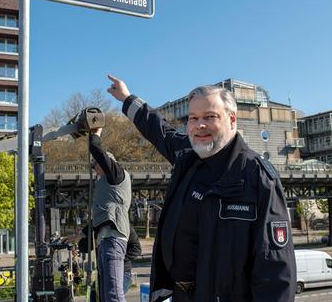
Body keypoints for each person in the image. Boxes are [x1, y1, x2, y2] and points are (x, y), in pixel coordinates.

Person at [107, 75, 297, 302]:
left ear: (232, 120)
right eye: (193, 118)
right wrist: (127, 98)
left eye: (210, 117)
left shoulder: (257, 177)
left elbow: (275, 269)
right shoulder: (187, 155)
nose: (200, 125)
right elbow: (159, 129)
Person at [89, 127, 132, 302]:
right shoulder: (106, 183)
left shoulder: (115, 174)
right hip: (106, 241)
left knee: (113, 295)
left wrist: (96, 132)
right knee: (106, 296)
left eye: (95, 165)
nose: (94, 169)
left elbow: (95, 148)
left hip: (113, 240)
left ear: (105, 163)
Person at [123, 224, 142, 294]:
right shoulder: (98, 223)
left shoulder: (126, 226)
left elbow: (137, 249)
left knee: (114, 296)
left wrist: (120, 259)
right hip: (102, 273)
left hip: (123, 272)